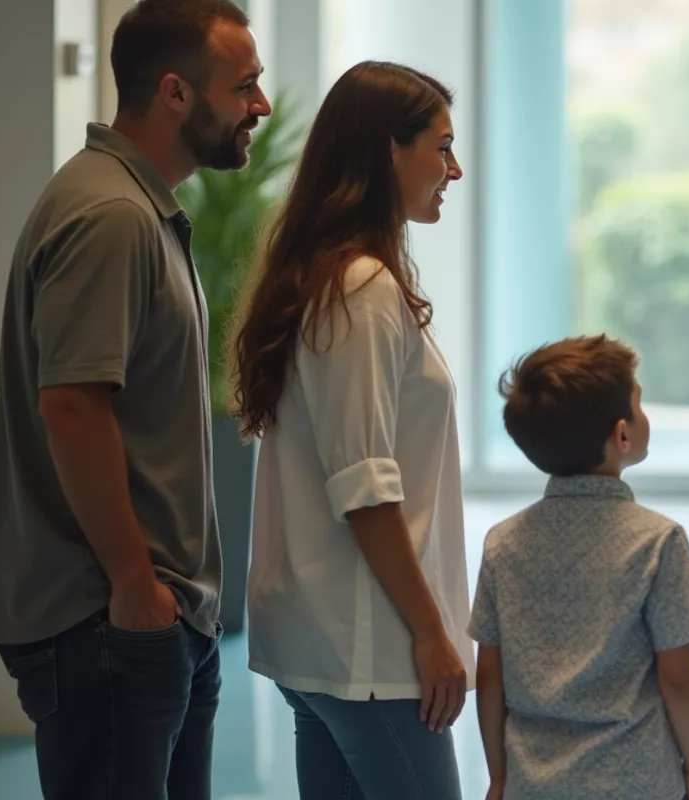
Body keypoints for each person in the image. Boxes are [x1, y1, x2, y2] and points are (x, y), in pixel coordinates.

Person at [0, 2, 270, 798]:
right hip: (107, 620)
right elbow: (70, 405)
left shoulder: (139, 207)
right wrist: (135, 586)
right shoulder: (111, 215)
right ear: (175, 94)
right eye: (245, 87)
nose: (260, 107)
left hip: (150, 618)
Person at [228, 60, 470, 799]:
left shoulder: (326, 276)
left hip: (322, 645)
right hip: (369, 651)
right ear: (388, 151)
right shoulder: (362, 288)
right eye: (441, 145)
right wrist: (431, 633)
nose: (453, 169)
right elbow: (364, 484)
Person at [470, 335, 689, 800]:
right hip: (636, 778)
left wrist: (500, 777)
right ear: (622, 434)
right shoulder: (657, 542)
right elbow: (679, 676)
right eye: (640, 405)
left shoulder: (502, 544)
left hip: (534, 780)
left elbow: (489, 675)